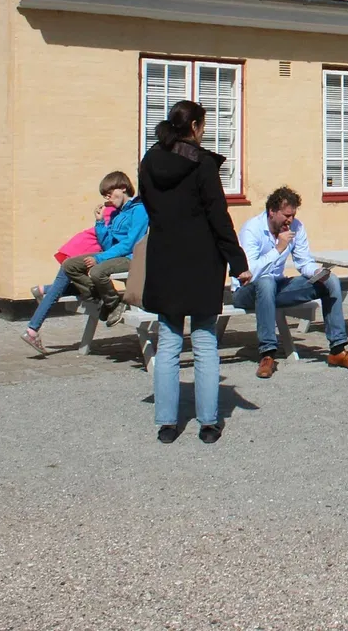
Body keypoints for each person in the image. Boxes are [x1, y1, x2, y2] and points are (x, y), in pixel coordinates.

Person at [138, 99, 249, 445]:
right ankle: (208, 423)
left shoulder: (149, 160)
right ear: (196, 127)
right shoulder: (202, 164)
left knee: (168, 343)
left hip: (164, 259)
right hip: (201, 261)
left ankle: (167, 424)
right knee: (204, 343)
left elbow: (149, 207)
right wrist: (238, 262)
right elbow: (219, 217)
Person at [233, 186, 348, 378]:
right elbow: (248, 273)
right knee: (266, 282)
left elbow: (303, 262)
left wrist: (317, 271)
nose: (290, 220)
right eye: (287, 215)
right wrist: (278, 248)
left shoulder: (296, 227)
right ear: (272, 211)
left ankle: (337, 350)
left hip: (277, 288)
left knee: (331, 281)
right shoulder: (252, 229)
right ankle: (268, 355)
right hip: (246, 292)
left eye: (293, 215)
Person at [21, 172, 144, 355]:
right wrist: (100, 222)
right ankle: (98, 299)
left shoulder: (139, 210)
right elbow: (108, 244)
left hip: (132, 257)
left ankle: (113, 303)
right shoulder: (117, 215)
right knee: (69, 265)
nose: (107, 198)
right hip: (114, 254)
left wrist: (100, 258)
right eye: (105, 196)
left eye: (109, 193)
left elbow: (131, 244)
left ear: (123, 188)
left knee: (96, 270)